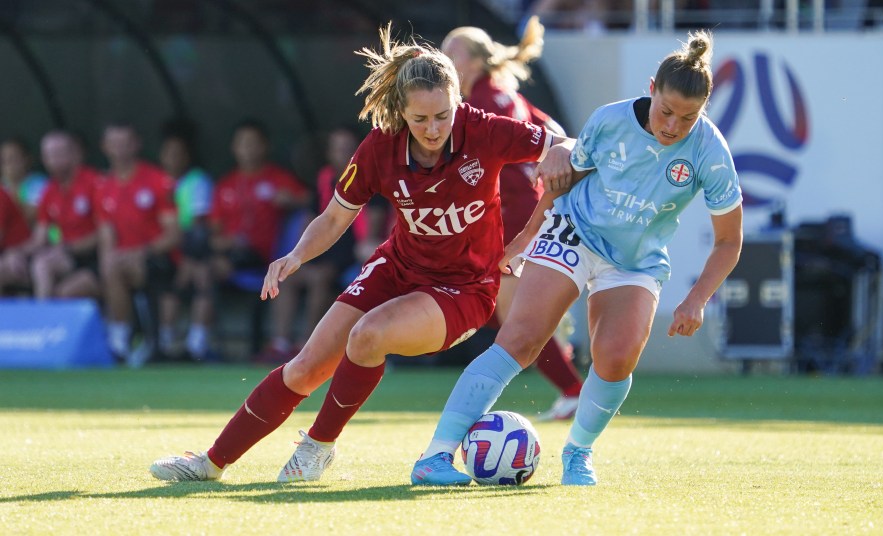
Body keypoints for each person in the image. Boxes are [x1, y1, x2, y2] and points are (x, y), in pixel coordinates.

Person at [149, 23, 573, 483]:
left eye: (443, 115)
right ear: (401, 111)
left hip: (464, 288)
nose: (433, 129)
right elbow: (335, 217)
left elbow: (569, 148)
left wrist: (539, 205)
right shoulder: (380, 147)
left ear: (458, 101)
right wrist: (295, 256)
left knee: (368, 336)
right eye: (420, 119)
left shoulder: (484, 128)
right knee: (305, 368)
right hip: (397, 268)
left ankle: (318, 446)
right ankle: (210, 463)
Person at [412, 29, 743, 486]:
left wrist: (696, 299)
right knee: (520, 339)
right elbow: (564, 178)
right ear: (651, 89)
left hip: (634, 260)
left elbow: (729, 241)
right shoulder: (610, 120)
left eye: (687, 118)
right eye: (666, 111)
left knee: (616, 358)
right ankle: (435, 455)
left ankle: (578, 453)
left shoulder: (711, 151)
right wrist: (527, 236)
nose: (672, 126)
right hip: (573, 232)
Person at [442, 17, 585, 421]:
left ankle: (574, 389)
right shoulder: (504, 95)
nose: (445, 59)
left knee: (512, 321)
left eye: (452, 52)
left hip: (512, 217)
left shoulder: (481, 103)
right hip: (519, 214)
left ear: (474, 62)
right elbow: (554, 132)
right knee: (497, 311)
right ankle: (561, 356)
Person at [255, 125, 390, 364]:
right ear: (329, 153)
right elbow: (313, 221)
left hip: (352, 255)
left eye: (348, 149)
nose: (343, 154)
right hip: (322, 251)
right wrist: (297, 255)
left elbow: (370, 235)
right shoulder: (324, 180)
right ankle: (280, 343)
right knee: (286, 277)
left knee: (320, 278)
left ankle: (307, 347)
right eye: (337, 149)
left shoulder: (372, 181)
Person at [208, 118, 310, 360]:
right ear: (234, 148)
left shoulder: (279, 178)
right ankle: (203, 342)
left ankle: (280, 344)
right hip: (235, 256)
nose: (248, 149)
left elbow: (311, 202)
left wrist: (292, 201)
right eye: (243, 143)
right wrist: (227, 243)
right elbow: (213, 236)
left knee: (282, 272)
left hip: (268, 256)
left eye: (253, 143)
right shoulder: (226, 184)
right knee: (205, 269)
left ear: (265, 146)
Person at [95, 122, 180, 364]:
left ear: (136, 145)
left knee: (116, 267)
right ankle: (123, 340)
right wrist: (108, 261)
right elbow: (106, 237)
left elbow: (173, 235)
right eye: (114, 143)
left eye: (125, 143)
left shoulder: (158, 180)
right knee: (109, 267)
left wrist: (137, 253)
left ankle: (123, 341)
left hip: (160, 259)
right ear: (104, 147)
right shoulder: (103, 187)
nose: (120, 149)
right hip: (122, 263)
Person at [156, 124, 216, 360]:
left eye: (178, 153)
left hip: (190, 250)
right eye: (168, 152)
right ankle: (163, 342)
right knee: (175, 278)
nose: (173, 158)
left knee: (199, 273)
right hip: (163, 251)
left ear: (188, 156)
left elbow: (199, 227)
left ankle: (196, 345)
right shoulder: (156, 181)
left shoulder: (197, 181)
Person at [22, 130, 101, 300]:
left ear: (75, 154)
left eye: (59, 153)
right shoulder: (49, 191)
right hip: (68, 257)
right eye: (49, 155)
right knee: (30, 265)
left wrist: (68, 248)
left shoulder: (94, 183)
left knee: (51, 277)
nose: (54, 160)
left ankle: (43, 316)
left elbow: (104, 233)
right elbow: (40, 238)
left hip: (95, 258)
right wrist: (17, 253)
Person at [1, 137, 48, 226]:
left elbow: (30, 216)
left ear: (27, 159)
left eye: (13, 158)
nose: (8, 163)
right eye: (4, 159)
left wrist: (12, 183)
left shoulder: (40, 183)